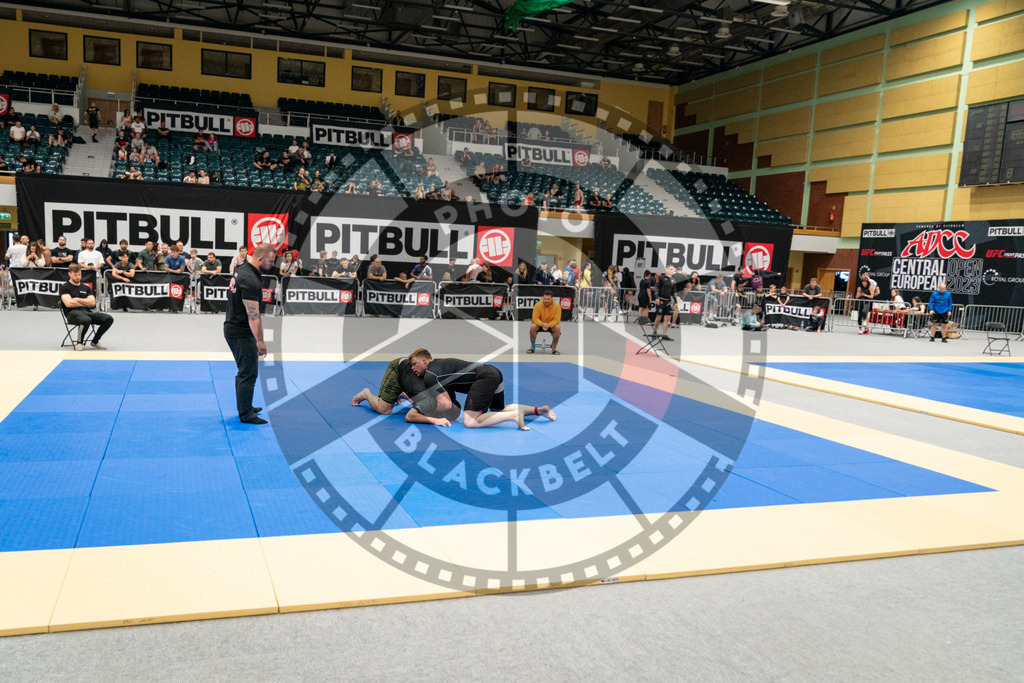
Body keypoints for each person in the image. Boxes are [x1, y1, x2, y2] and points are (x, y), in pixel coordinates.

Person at [410, 349, 556, 430]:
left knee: (470, 421)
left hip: (484, 377)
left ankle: (515, 416)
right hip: (493, 372)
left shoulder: (430, 375)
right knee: (498, 410)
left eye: (414, 364)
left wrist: (427, 414)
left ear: (424, 361)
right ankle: (539, 410)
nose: (412, 368)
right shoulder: (440, 365)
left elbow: (446, 404)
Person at [223, 243, 277, 424]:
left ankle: (246, 404)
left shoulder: (243, 269)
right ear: (261, 259)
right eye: (270, 261)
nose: (272, 265)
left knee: (246, 370)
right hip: (240, 330)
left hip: (236, 327)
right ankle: (246, 413)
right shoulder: (249, 280)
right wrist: (260, 341)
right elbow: (253, 315)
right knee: (248, 372)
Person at [352, 353, 463, 426]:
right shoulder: (433, 403)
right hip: (399, 368)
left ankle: (401, 393)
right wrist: (435, 420)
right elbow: (410, 416)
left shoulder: (448, 396)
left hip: (411, 377)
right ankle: (366, 394)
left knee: (423, 402)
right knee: (384, 410)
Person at [61, 264, 114, 351]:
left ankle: (95, 341)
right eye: (75, 275)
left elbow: (92, 303)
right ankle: (79, 343)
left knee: (109, 319)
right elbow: (69, 304)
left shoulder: (86, 287)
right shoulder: (65, 287)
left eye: (80, 274)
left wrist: (77, 299)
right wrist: (85, 302)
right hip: (72, 314)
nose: (78, 277)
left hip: (87, 313)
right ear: (69, 274)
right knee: (86, 320)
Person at [529, 290, 561, 355]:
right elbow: (535, 318)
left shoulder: (557, 306)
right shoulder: (537, 305)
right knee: (532, 327)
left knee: (558, 328)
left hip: (551, 325)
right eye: (545, 299)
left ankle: (554, 349)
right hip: (540, 324)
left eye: (548, 299)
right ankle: (532, 347)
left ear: (552, 299)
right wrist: (542, 324)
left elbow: (557, 320)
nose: (546, 301)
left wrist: (548, 325)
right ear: (542, 298)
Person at [653, 268, 676, 340]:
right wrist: (656, 298)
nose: (672, 271)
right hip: (661, 300)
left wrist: (676, 302)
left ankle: (664, 335)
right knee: (658, 317)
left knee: (667, 319)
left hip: (668, 301)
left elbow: (673, 292)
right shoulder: (661, 278)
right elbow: (656, 287)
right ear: (667, 270)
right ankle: (655, 332)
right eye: (670, 269)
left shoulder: (673, 280)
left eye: (673, 270)